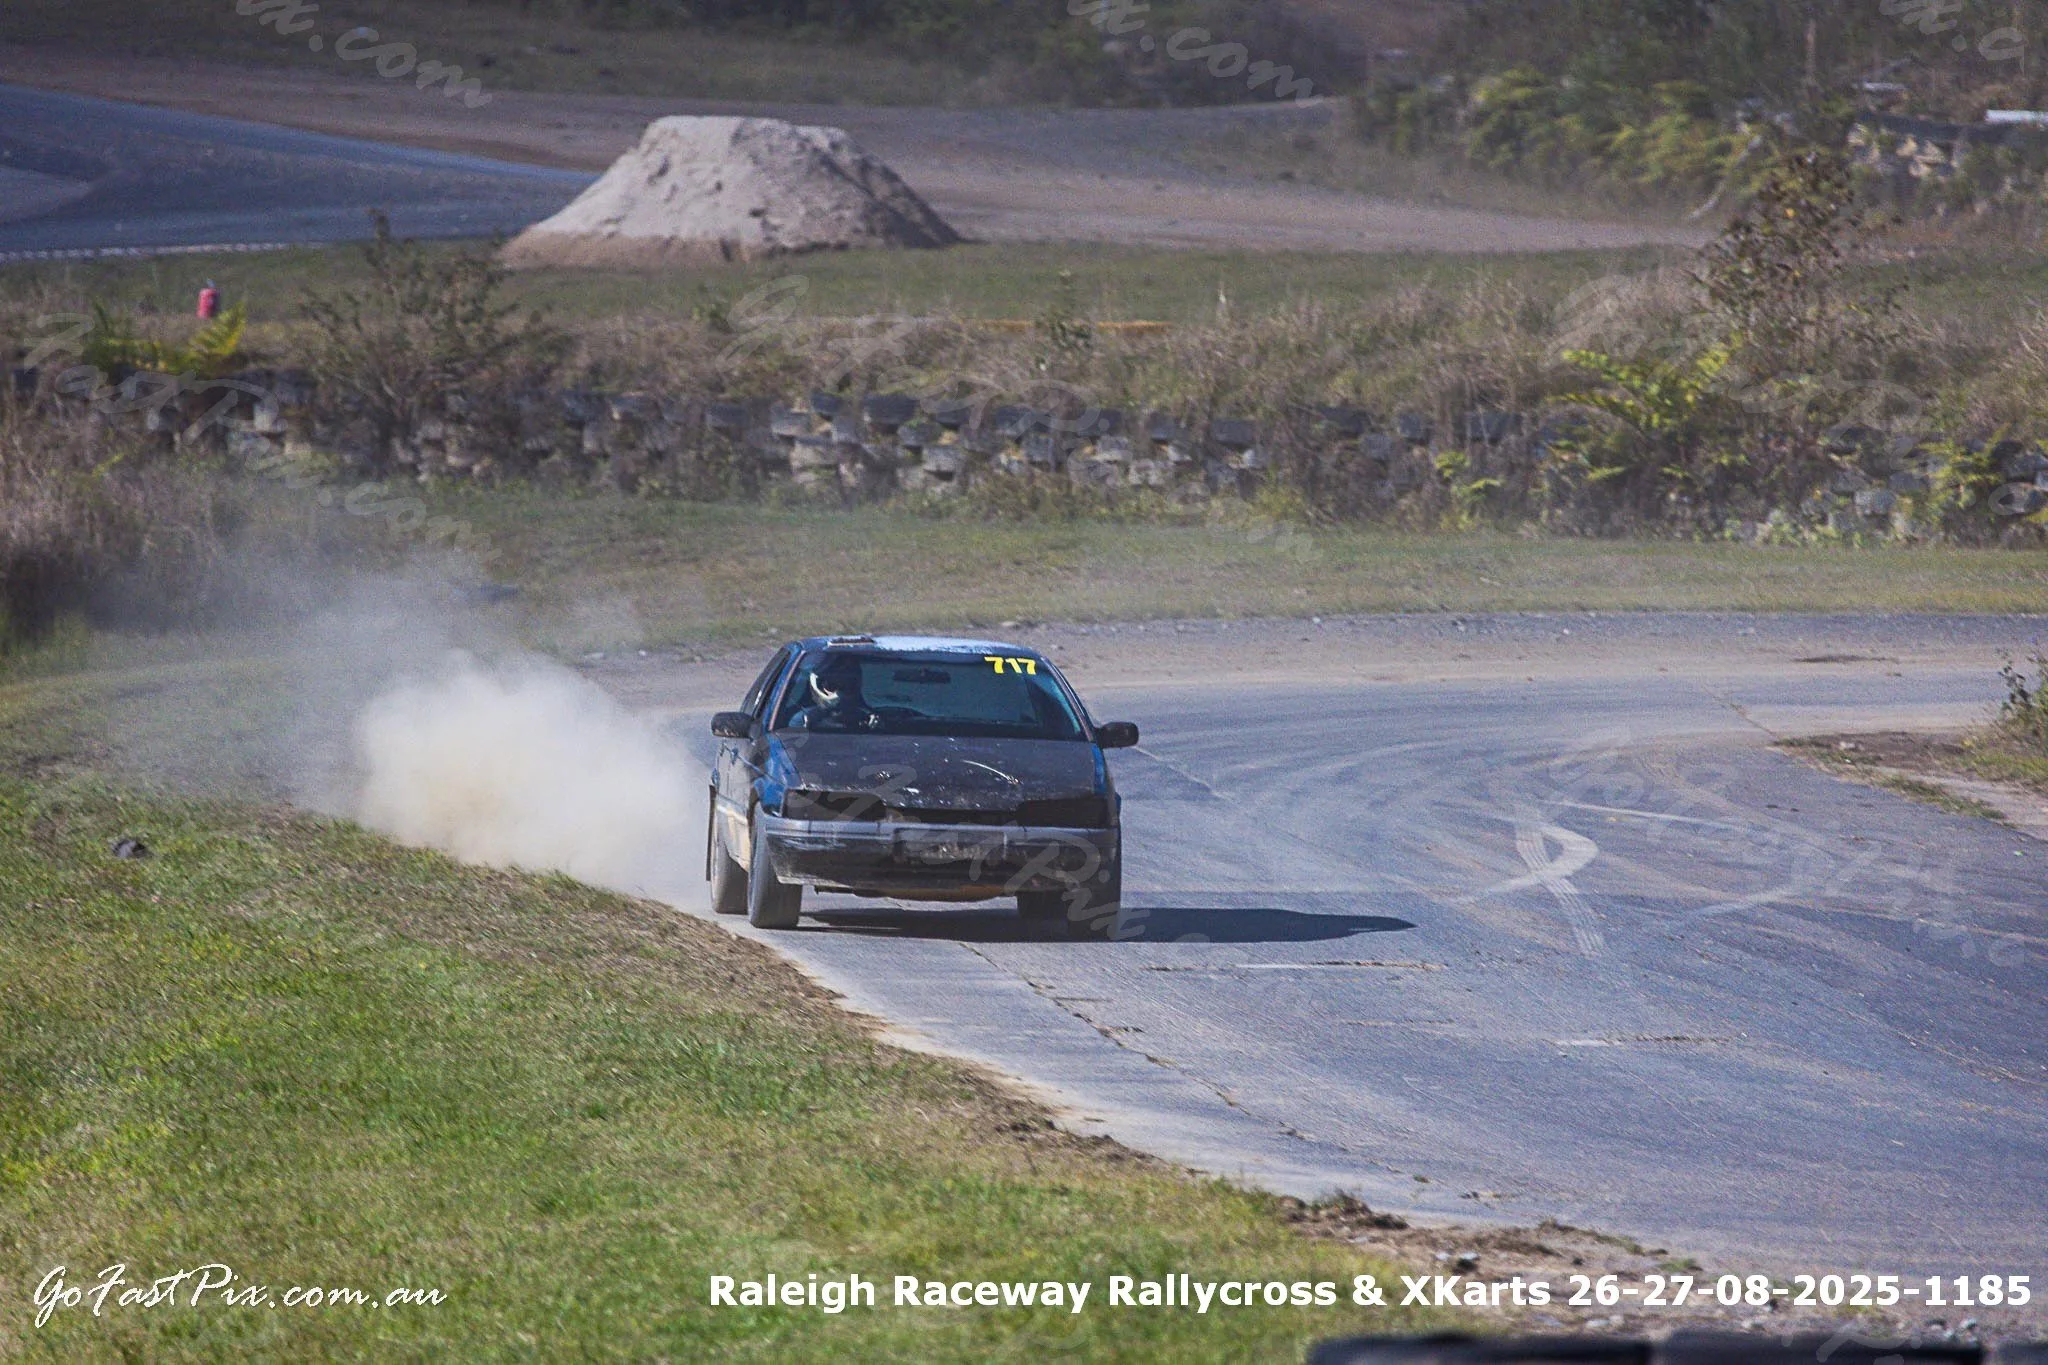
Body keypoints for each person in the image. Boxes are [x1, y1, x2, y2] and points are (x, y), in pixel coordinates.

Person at [784, 654, 876, 731]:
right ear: (819, 685)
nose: (838, 694)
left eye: (847, 686)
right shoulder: (801, 720)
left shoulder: (867, 719)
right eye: (832, 685)